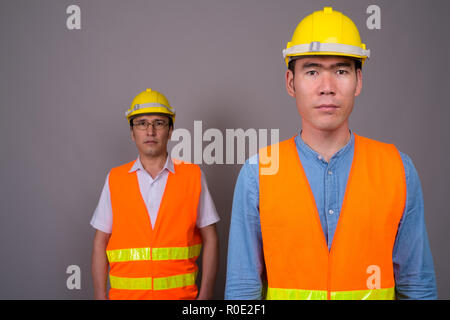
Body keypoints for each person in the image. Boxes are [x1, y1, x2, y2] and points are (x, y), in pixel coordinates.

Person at [225, 7, 437, 300]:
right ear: (291, 83)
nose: (327, 87)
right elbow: (241, 291)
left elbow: (417, 285)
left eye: (341, 71)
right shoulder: (258, 173)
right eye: (312, 71)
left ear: (358, 81)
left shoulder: (398, 169)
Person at [91, 88, 220, 300]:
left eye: (158, 123)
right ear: (132, 133)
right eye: (142, 123)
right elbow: (100, 242)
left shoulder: (193, 176)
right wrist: (99, 296)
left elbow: (211, 238)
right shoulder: (115, 178)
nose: (150, 131)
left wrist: (205, 296)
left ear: (170, 131)